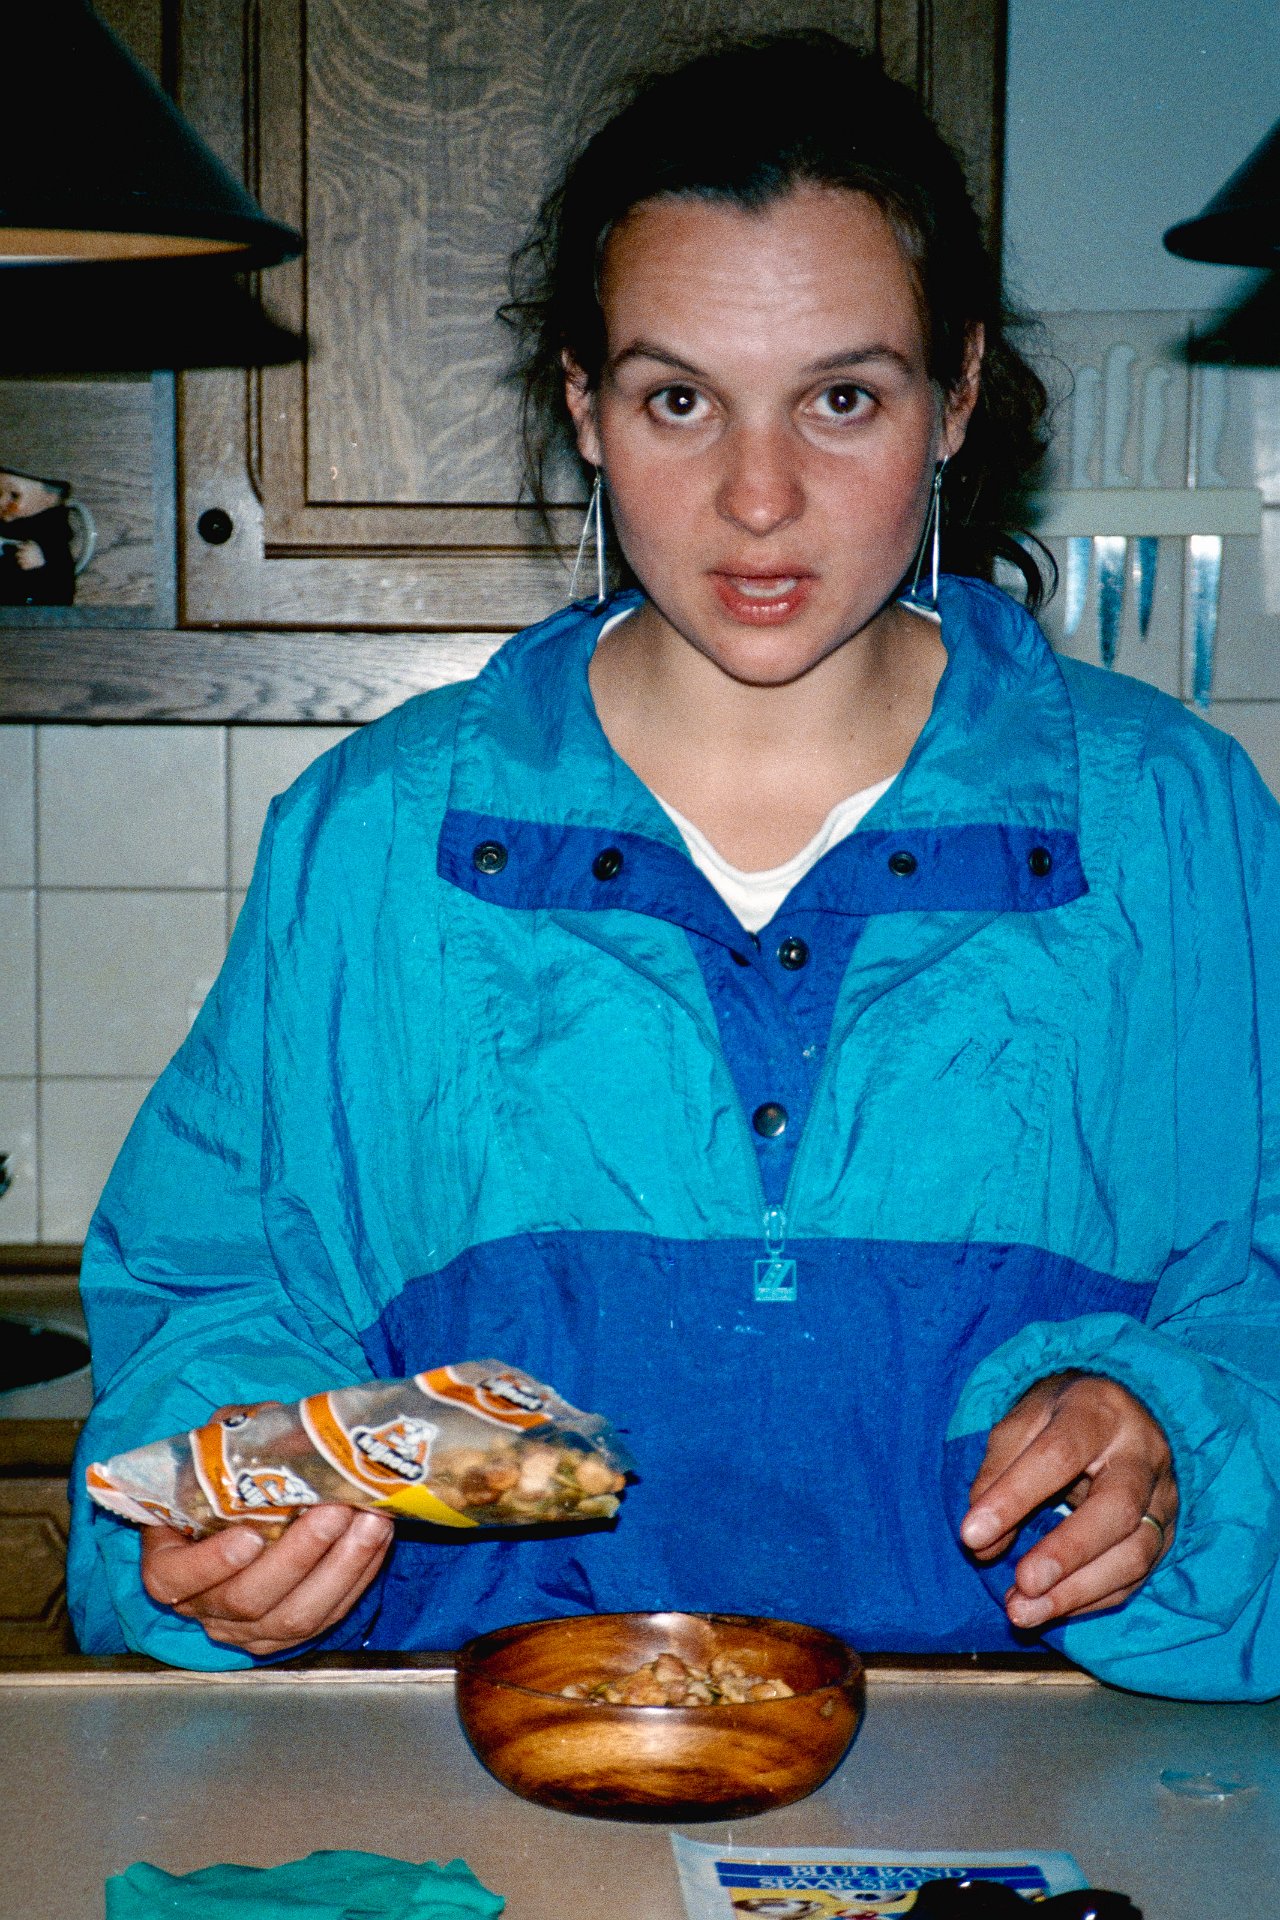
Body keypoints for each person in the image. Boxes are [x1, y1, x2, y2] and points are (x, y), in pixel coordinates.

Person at [68, 35, 1280, 1698]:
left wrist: (1187, 1441)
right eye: (678, 399)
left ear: (956, 396)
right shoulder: (372, 838)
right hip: (458, 1790)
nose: (757, 499)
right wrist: (220, 1518)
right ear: (584, 402)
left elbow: (1259, 1306)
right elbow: (208, 1307)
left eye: (842, 398)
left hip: (1033, 1791)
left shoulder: (1178, 829)